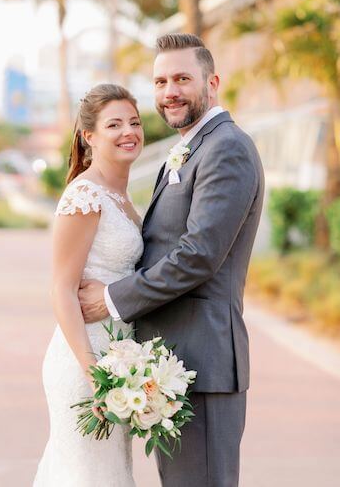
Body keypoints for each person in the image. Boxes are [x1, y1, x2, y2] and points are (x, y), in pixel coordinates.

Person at [78, 33, 265, 487]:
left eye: (182, 78)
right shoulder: (190, 147)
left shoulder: (226, 148)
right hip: (177, 363)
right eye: (160, 82)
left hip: (204, 360)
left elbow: (198, 256)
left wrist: (111, 300)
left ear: (212, 82)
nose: (170, 92)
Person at [33, 84, 144, 486]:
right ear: (89, 136)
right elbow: (61, 289)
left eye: (134, 121)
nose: (128, 131)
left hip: (118, 362)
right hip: (87, 362)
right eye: (114, 124)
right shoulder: (85, 195)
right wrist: (93, 371)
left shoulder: (120, 195)